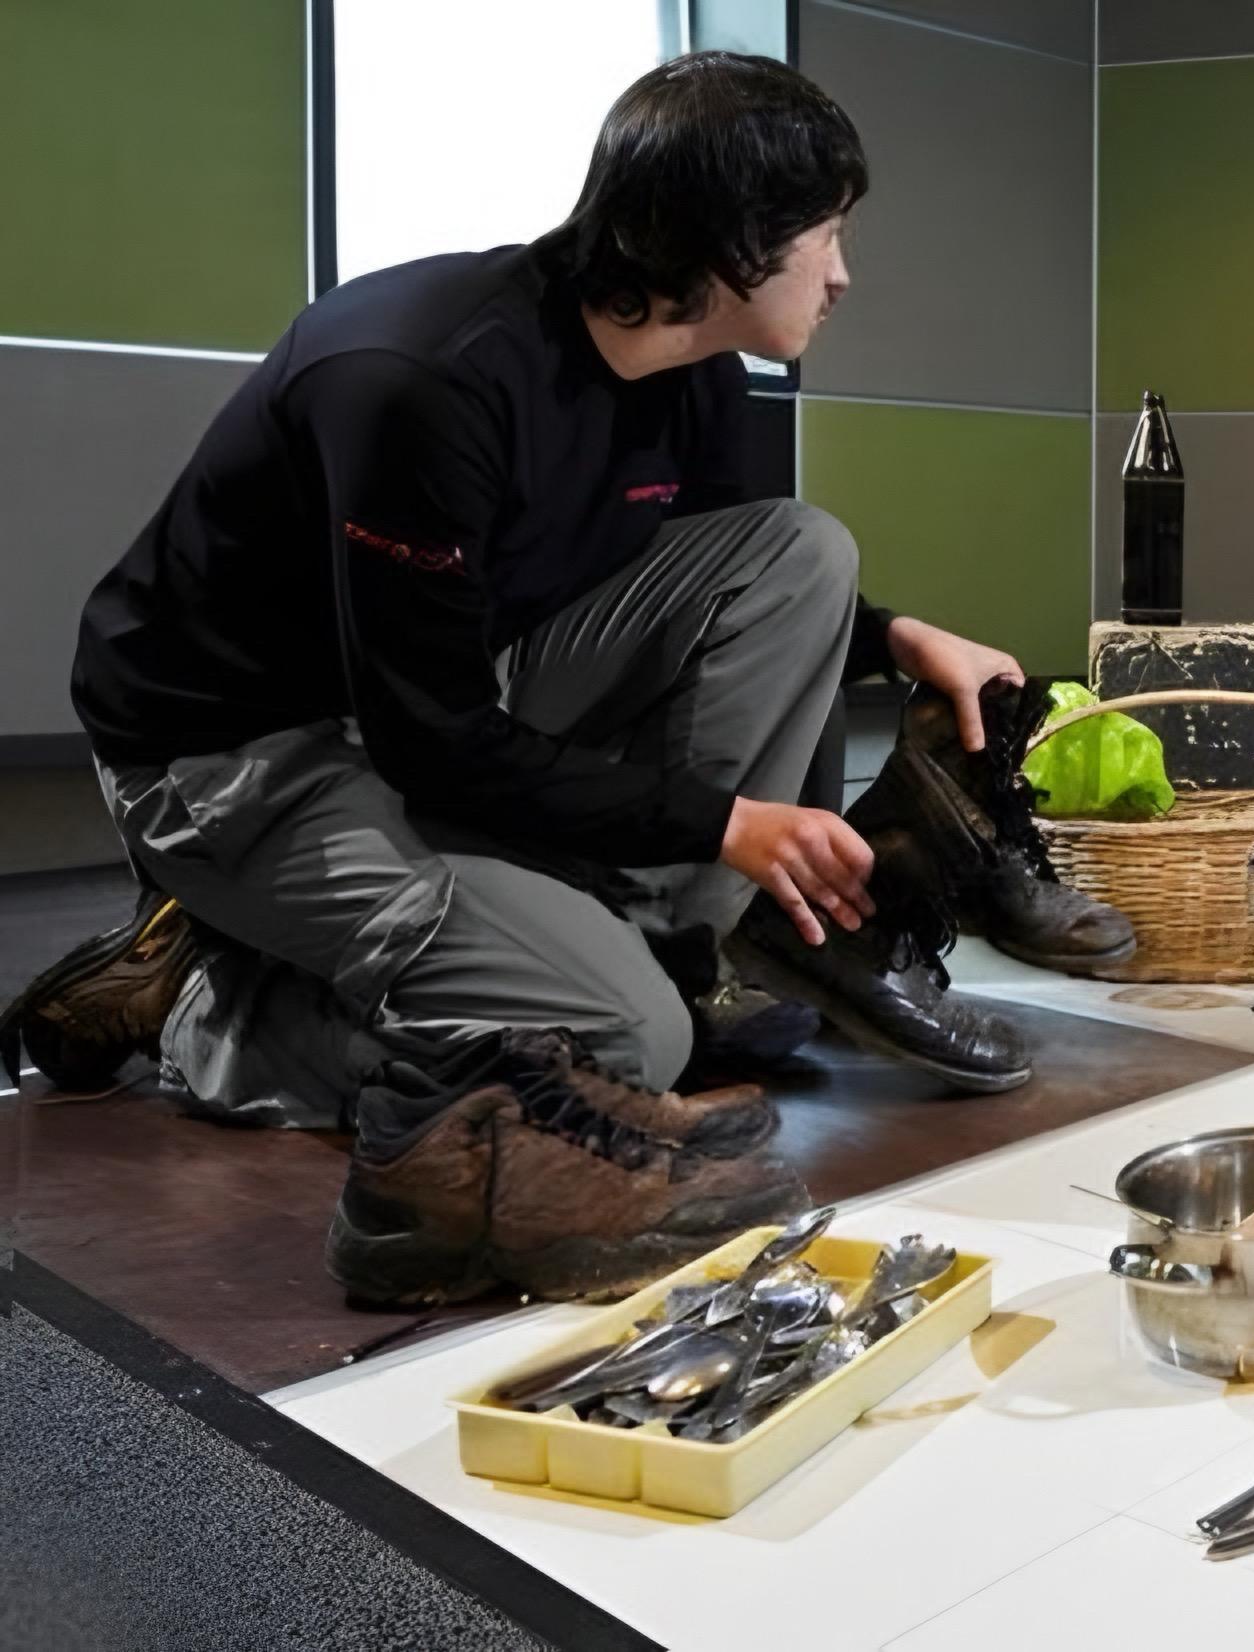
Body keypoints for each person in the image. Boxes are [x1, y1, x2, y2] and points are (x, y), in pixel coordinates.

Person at [0, 53, 1133, 1305]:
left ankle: (640, 946)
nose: (842, 273)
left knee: (801, 552)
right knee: (624, 1038)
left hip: (428, 692)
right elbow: (435, 742)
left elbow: (700, 585)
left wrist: (897, 636)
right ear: (733, 245)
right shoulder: (420, 382)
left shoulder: (696, 370)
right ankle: (212, 1009)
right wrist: (723, 822)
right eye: (826, 235)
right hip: (238, 755)